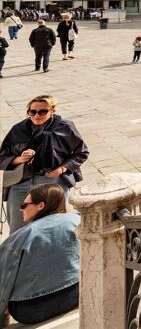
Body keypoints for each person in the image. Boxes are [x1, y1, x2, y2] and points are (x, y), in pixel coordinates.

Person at [0, 95, 89, 233]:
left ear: (52, 111)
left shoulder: (65, 127)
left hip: (53, 181)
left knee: (52, 227)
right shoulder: (18, 129)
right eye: (33, 112)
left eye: (43, 111)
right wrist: (20, 159)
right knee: (17, 228)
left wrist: (61, 169)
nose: (37, 115)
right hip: (21, 182)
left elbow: (82, 152)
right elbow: (2, 157)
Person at [0, 183, 81, 325]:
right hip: (74, 295)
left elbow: (4, 281)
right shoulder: (77, 220)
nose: (21, 209)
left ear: (41, 205)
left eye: (24, 205)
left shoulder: (20, 237)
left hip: (30, 311)